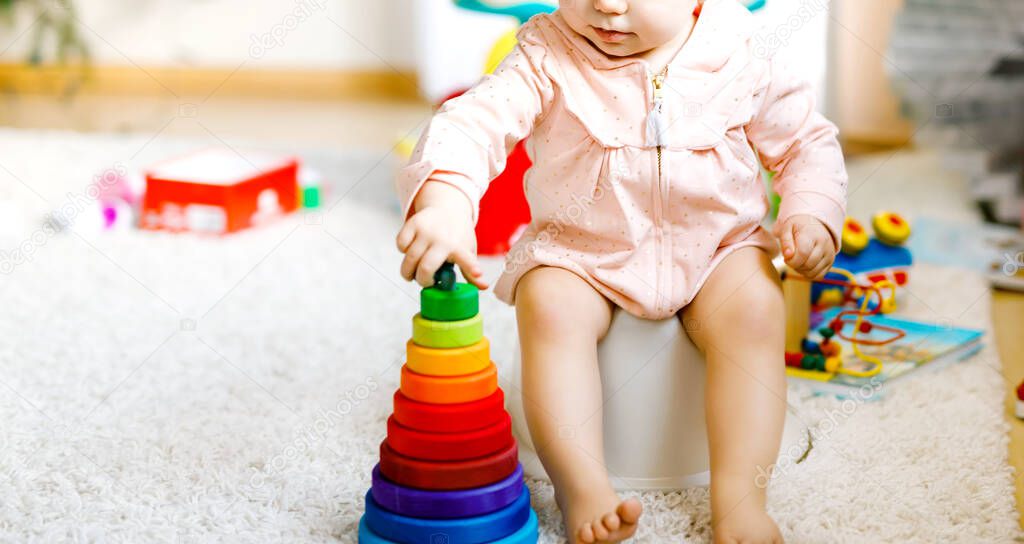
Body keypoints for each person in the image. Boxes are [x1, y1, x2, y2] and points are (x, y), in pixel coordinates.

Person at [395, 0, 847, 541]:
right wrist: (445, 202)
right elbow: (471, 125)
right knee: (549, 306)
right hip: (584, 254)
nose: (607, 5)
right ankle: (582, 487)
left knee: (755, 308)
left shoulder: (739, 51)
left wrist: (811, 213)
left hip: (716, 250)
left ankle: (741, 500)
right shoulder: (546, 55)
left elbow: (806, 143)